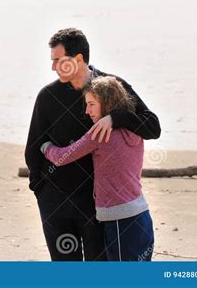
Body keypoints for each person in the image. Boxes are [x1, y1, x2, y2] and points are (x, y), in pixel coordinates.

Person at [24, 27, 160, 261]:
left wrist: (116, 118)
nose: (53, 67)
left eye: (58, 60)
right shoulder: (47, 96)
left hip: (96, 207)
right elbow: (34, 147)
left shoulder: (110, 88)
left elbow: (152, 127)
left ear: (78, 59)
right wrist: (41, 191)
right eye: (52, 61)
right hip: (56, 203)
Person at [41, 76, 154, 261]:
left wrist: (45, 147)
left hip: (119, 219)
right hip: (141, 215)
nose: (87, 111)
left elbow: (63, 157)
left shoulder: (100, 133)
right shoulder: (136, 129)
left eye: (91, 104)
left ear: (106, 102)